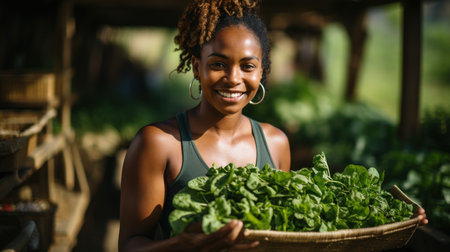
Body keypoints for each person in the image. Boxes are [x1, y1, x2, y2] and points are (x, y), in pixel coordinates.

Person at [118, 1, 427, 251]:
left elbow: (285, 234)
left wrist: (395, 216)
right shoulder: (158, 143)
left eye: (247, 65)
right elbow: (130, 244)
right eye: (218, 64)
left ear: (262, 71)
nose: (233, 78)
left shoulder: (275, 143)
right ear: (197, 68)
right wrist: (183, 246)